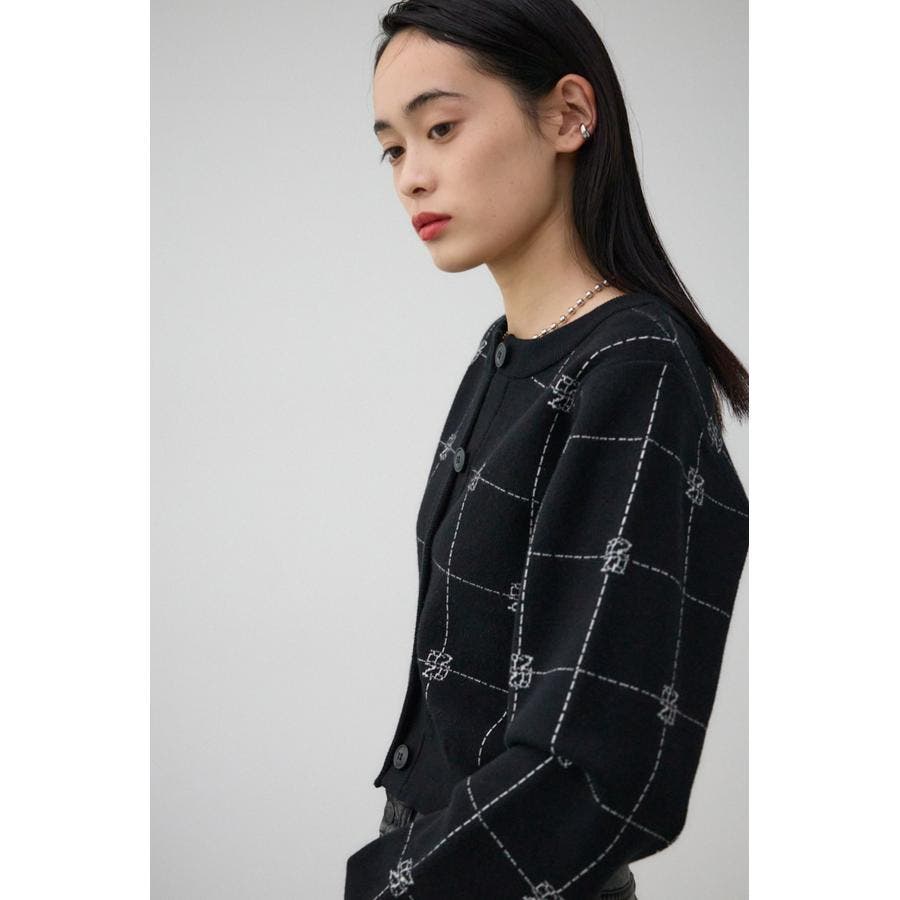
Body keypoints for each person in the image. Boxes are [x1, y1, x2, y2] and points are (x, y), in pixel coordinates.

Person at [345, 2, 749, 897]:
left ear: (568, 115)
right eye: (393, 149)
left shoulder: (632, 367)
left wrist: (388, 887)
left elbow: (593, 767)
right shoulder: (504, 354)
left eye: (440, 129)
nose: (412, 176)